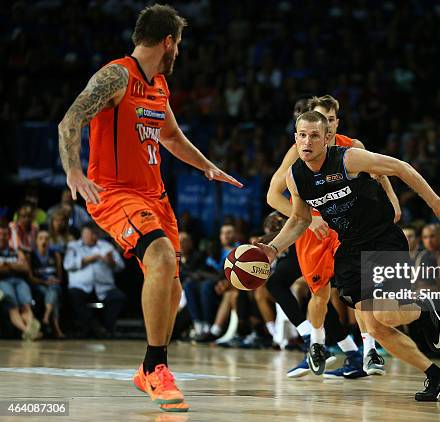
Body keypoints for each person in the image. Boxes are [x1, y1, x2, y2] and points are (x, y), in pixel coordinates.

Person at [57, 4, 241, 412]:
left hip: (156, 198)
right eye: (180, 45)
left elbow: (172, 138)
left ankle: (149, 371)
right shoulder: (116, 75)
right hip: (115, 193)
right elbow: (70, 121)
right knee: (158, 256)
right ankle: (155, 367)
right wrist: (73, 171)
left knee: (171, 284)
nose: (180, 53)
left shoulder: (158, 84)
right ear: (169, 42)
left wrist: (207, 166)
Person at [257, 111, 440, 401]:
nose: (307, 141)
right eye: (302, 135)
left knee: (383, 313)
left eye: (314, 135)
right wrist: (273, 249)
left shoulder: (348, 159)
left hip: (383, 240)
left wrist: (436, 203)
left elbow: (401, 167)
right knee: (376, 328)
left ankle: (423, 309)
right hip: (350, 248)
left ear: (327, 138)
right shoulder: (296, 177)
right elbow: (299, 220)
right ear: (295, 138)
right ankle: (436, 375)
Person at [267, 95, 397, 379]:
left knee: (359, 289)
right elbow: (272, 195)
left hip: (347, 226)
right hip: (314, 229)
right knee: (317, 291)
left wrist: (393, 203)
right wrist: (311, 218)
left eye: (329, 120)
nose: (321, 127)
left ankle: (368, 350)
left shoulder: (353, 148)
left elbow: (383, 173)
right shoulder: (299, 152)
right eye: (316, 120)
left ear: (335, 124)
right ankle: (316, 345)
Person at [63, 224, 126, 337]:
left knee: (118, 297)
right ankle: (93, 327)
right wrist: (89, 259)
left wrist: (111, 261)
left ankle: (106, 329)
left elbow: (120, 266)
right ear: (83, 235)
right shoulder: (73, 246)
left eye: (94, 234)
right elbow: (67, 265)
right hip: (81, 287)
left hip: (104, 287)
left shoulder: (106, 247)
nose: (92, 237)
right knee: (73, 295)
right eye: (88, 234)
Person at [0, 220, 41, 340]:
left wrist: (6, 265)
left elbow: (25, 267)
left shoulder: (16, 250)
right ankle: (29, 331)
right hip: (3, 282)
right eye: (0, 234)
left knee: (26, 306)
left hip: (19, 281)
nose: (2, 237)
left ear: (9, 235)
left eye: (5, 234)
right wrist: (14, 266)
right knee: (13, 306)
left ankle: (29, 330)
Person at [29, 229, 65, 338]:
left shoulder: (55, 255)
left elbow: (60, 277)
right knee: (52, 295)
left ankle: (46, 317)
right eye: (41, 238)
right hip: (39, 285)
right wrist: (44, 282)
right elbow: (31, 278)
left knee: (53, 289)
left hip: (54, 285)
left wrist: (55, 280)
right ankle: (55, 326)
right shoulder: (31, 256)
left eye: (46, 239)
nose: (44, 241)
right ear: (36, 241)